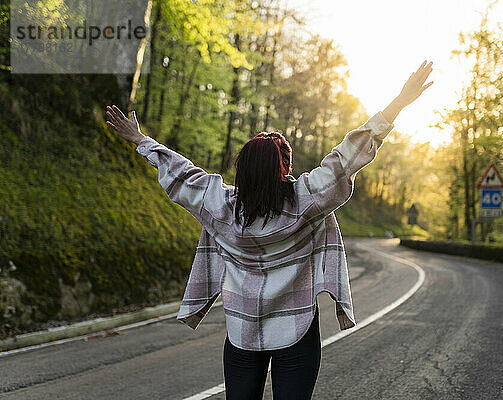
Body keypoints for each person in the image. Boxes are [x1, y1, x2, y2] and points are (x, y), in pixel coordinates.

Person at [105, 60, 433, 400]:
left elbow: (182, 174)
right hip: (298, 331)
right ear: (286, 168)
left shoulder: (221, 205)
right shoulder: (307, 200)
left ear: (242, 170)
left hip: (242, 334)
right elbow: (346, 157)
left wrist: (141, 140)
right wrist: (398, 103)